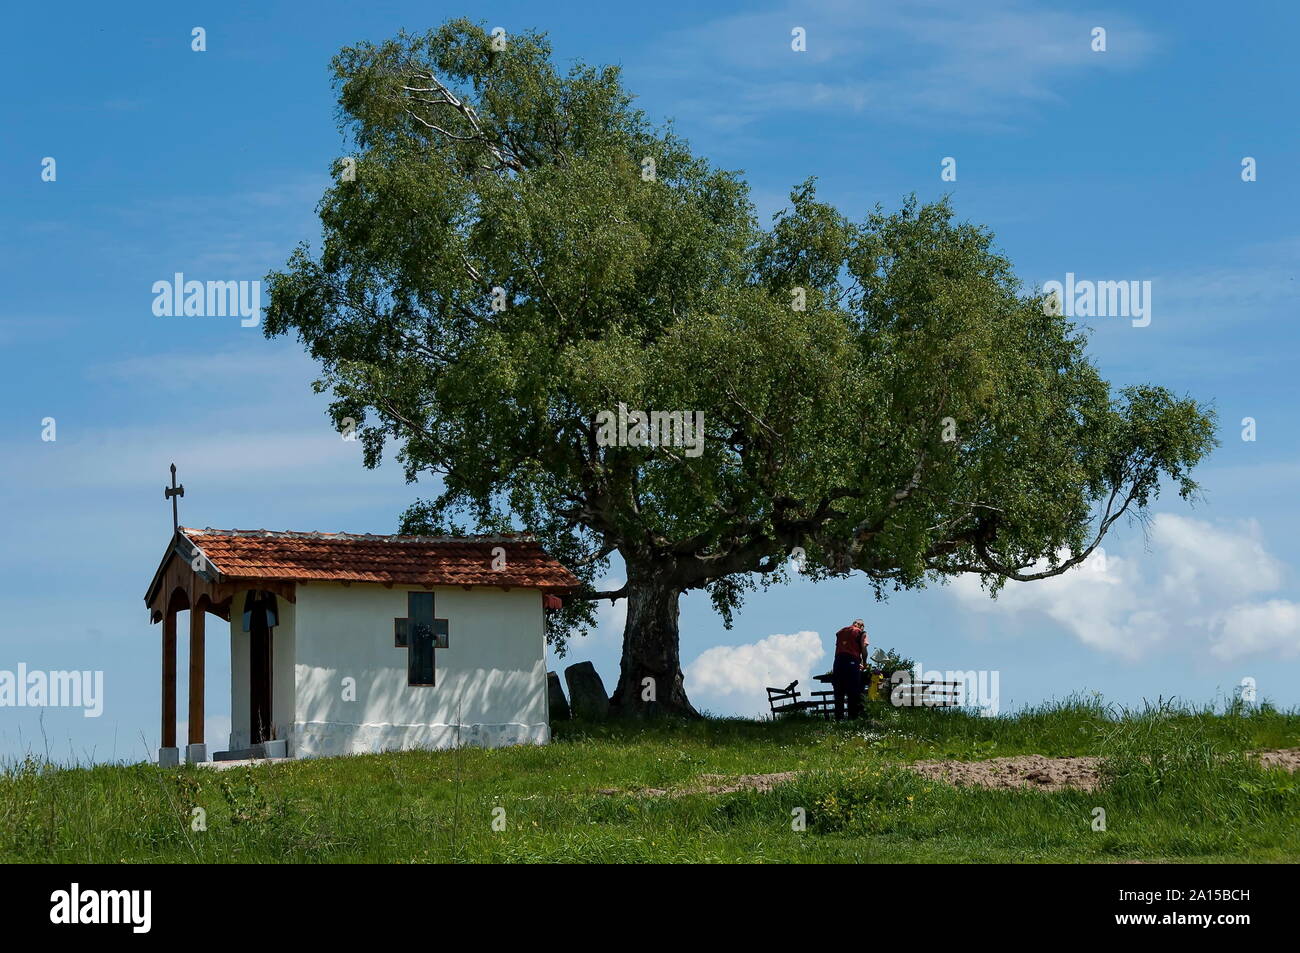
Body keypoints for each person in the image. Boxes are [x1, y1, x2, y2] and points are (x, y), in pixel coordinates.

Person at [832, 618, 868, 720]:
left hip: (838, 662)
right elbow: (864, 649)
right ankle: (852, 719)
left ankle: (838, 719)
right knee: (853, 691)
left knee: (839, 692)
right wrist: (864, 663)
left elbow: (838, 649)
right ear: (861, 626)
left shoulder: (841, 632)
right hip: (852, 662)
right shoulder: (861, 633)